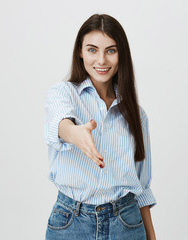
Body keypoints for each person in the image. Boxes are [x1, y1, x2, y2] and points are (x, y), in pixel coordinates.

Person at [44, 13, 156, 240]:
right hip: (71, 224)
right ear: (80, 52)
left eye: (111, 50)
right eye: (92, 50)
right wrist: (75, 134)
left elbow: (141, 188)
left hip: (126, 223)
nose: (101, 61)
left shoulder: (136, 114)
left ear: (121, 54)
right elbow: (61, 124)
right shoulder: (63, 93)